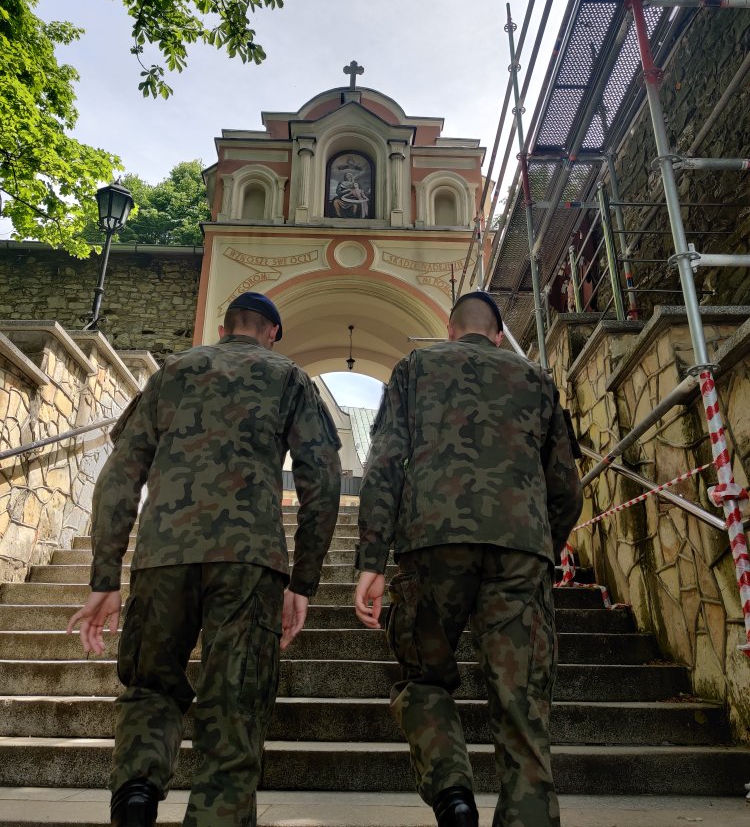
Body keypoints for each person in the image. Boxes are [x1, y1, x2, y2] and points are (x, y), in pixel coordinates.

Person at [67, 292, 342, 827]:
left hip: (162, 557)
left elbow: (119, 476)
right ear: (273, 332)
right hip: (249, 562)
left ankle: (138, 796)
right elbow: (323, 481)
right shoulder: (289, 379)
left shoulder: (173, 373)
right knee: (235, 703)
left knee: (150, 687)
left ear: (225, 326)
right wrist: (303, 583)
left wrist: (105, 577)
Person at [354, 291, 582, 827]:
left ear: (451, 331)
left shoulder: (415, 367)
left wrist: (371, 560)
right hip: (520, 548)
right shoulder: (535, 379)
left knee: (424, 679)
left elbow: (384, 462)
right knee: (521, 700)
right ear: (499, 335)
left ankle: (453, 795)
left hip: (431, 542)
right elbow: (566, 486)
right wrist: (540, 545)